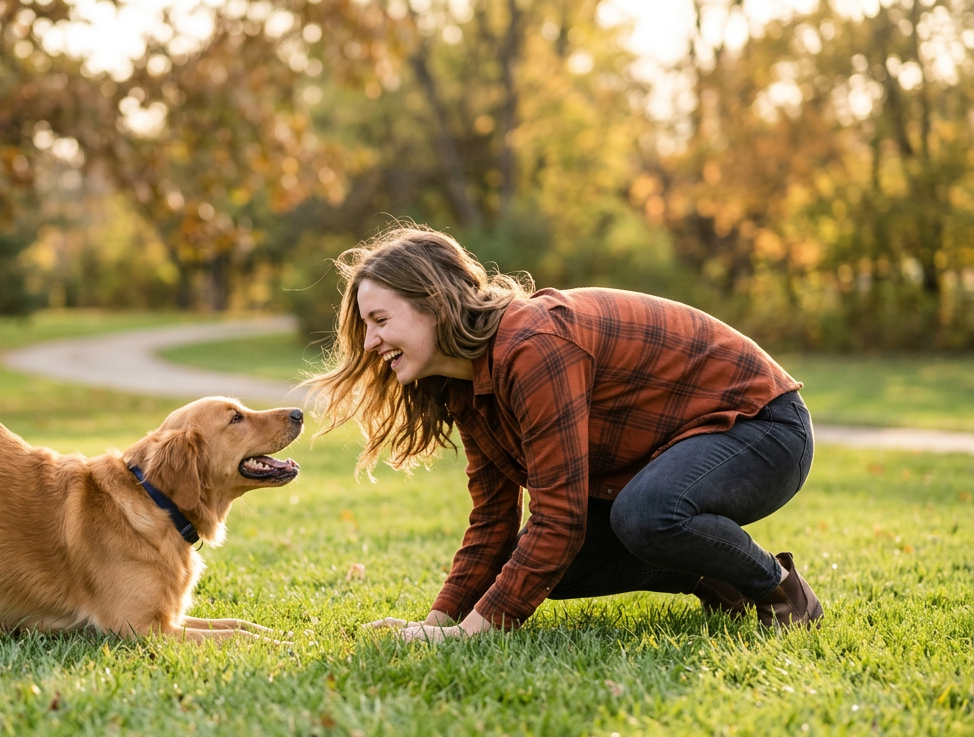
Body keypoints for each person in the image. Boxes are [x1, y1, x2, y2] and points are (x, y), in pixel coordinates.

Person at [307, 226, 822, 641]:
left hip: (765, 427)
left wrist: (473, 633)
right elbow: (494, 518)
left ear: (433, 302)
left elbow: (561, 516)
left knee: (646, 513)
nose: (371, 341)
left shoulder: (533, 346)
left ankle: (781, 591)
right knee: (536, 565)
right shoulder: (462, 385)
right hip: (675, 451)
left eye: (379, 320)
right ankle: (717, 574)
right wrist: (437, 624)